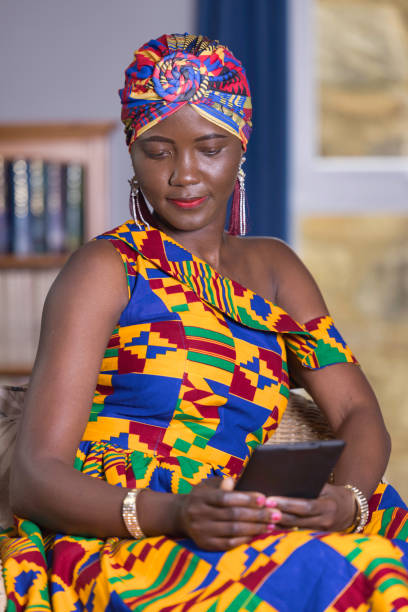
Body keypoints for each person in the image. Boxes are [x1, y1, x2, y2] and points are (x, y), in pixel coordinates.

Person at [1, 32, 408, 611]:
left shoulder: (276, 269)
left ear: (242, 147)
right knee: (324, 577)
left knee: (379, 568)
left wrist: (346, 502)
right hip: (133, 529)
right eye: (158, 150)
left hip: (255, 516)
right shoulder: (105, 268)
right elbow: (33, 478)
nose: (184, 174)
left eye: (210, 147)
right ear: (132, 152)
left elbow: (357, 411)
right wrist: (178, 513)